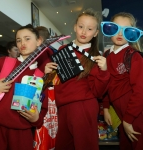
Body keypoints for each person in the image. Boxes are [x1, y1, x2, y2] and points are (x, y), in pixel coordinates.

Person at [44, 8, 110, 150]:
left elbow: (98, 92)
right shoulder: (62, 50)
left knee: (85, 145)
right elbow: (55, 82)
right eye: (81, 27)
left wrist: (104, 71)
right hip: (62, 106)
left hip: (83, 106)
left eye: (90, 29)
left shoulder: (96, 57)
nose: (84, 32)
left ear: (96, 33)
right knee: (63, 145)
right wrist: (48, 72)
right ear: (75, 27)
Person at [0, 24, 49, 150]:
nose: (22, 43)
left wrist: (36, 118)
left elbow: (42, 108)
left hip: (22, 133)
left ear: (39, 41)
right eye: (19, 40)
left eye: (27, 38)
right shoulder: (4, 63)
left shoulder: (40, 76)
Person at [101, 12, 143, 150]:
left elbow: (140, 90)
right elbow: (106, 83)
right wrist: (106, 108)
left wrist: (129, 119)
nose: (120, 34)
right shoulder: (106, 55)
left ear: (132, 34)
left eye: (126, 30)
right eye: (116, 28)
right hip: (120, 113)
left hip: (135, 113)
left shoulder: (134, 57)